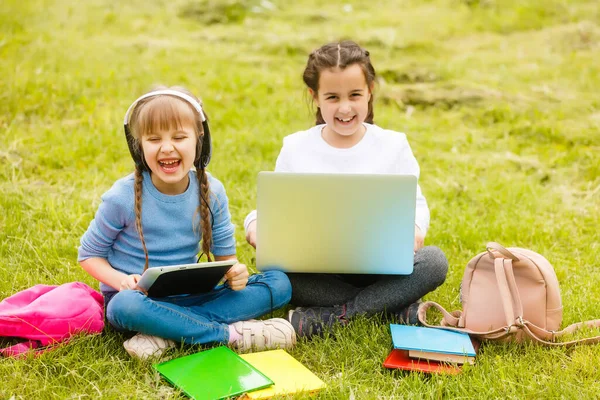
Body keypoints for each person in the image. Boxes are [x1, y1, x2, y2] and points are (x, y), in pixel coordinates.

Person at [244, 41, 448, 338]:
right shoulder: (296, 147)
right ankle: (392, 306)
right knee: (278, 274)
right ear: (315, 97)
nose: (344, 107)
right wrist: (255, 226)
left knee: (434, 262)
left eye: (355, 95)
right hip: (318, 268)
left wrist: (414, 230)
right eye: (332, 97)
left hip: (381, 267)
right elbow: (276, 206)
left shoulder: (393, 145)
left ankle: (335, 316)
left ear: (370, 91)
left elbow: (415, 204)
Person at [78, 87, 295, 359]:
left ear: (198, 140)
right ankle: (229, 335)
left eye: (179, 137)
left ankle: (166, 333)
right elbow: (88, 255)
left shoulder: (212, 191)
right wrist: (122, 281)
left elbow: (227, 261)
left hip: (192, 295)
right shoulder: (121, 197)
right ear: (138, 146)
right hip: (139, 301)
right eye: (154, 139)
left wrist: (236, 274)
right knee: (124, 307)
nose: (167, 148)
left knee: (279, 283)